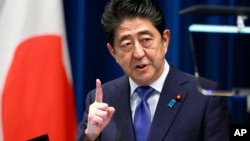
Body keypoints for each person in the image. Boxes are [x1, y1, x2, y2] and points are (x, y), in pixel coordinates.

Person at [76, 0, 230, 140]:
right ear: (113, 52)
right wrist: (91, 137)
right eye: (127, 44)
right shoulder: (102, 99)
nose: (138, 53)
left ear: (165, 40)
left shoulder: (206, 95)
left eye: (146, 40)